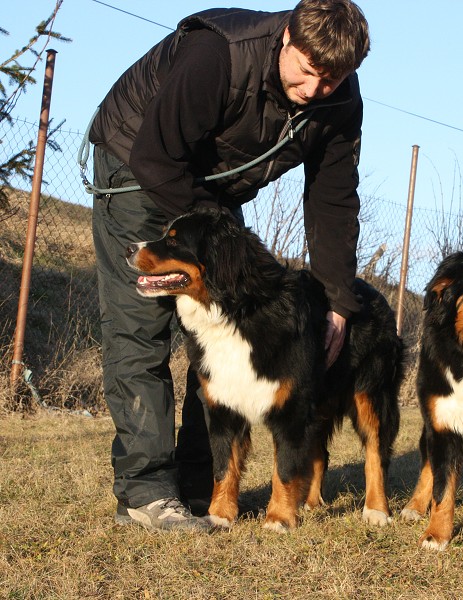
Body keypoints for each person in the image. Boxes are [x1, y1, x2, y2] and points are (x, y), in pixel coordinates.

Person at [88, 0, 370, 532]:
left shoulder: (339, 100)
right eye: (307, 71)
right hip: (138, 164)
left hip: (210, 190)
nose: (315, 90)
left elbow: (333, 200)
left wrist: (338, 299)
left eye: (331, 79)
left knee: (225, 335)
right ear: (286, 38)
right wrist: (221, 232)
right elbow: (156, 157)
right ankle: (146, 492)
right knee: (140, 331)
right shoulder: (217, 54)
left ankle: (200, 485)